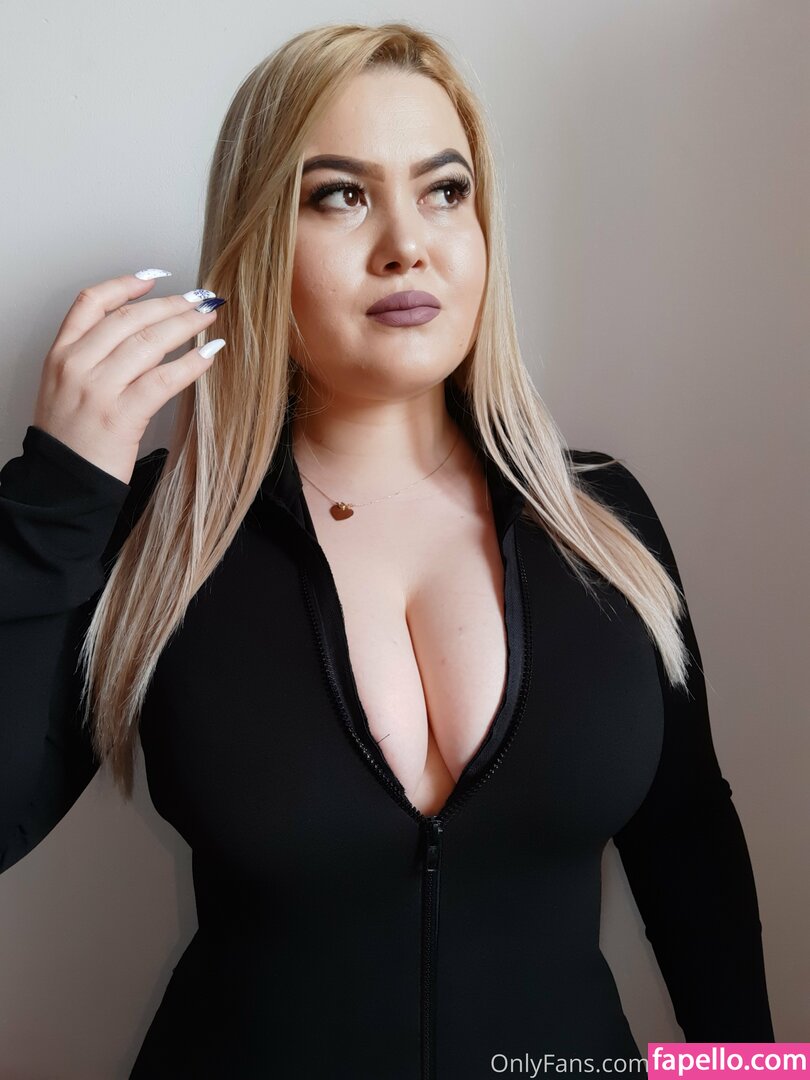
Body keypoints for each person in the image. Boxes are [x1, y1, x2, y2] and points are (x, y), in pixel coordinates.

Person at [0, 21, 774, 1079]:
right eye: (339, 195)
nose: (408, 243)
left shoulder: (604, 520)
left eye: (445, 190)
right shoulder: (158, 534)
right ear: (257, 242)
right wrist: (54, 501)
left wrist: (758, 1073)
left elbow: (691, 847)